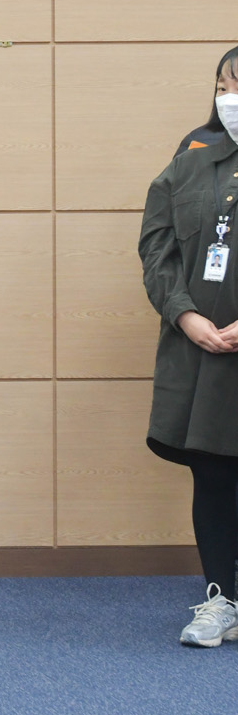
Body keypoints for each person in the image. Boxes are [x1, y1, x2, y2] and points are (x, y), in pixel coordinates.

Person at [141, 44, 238, 646]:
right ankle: (222, 600)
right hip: (203, 348)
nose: (231, 98)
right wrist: (184, 315)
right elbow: (158, 246)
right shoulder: (194, 153)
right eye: (224, 86)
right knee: (215, 474)